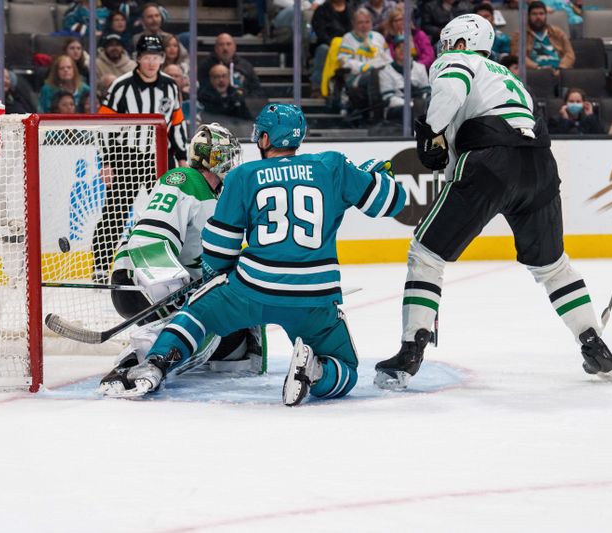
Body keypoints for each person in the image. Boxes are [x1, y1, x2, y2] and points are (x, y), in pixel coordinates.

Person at [376, 14, 612, 390]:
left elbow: (452, 91)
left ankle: (411, 349)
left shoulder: (458, 60)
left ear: (458, 41)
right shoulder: (508, 78)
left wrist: (430, 129)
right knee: (553, 266)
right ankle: (592, 341)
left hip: (491, 162)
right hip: (540, 165)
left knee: (426, 253)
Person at [108, 103, 405, 405]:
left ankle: (156, 363)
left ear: (264, 139)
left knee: (196, 315)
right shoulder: (332, 166)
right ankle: (315, 371)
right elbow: (393, 203)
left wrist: (217, 280)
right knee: (348, 368)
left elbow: (220, 250)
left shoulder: (244, 176)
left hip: (253, 289)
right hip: (315, 296)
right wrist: (378, 180)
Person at [98, 123, 265, 396]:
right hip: (141, 280)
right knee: (199, 324)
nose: (233, 163)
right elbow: (148, 244)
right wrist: (175, 293)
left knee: (232, 345)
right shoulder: (183, 178)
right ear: (215, 157)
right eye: (228, 155)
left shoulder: (214, 197)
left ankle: (156, 355)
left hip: (162, 283)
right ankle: (134, 360)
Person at [93, 34, 188, 281]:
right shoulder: (121, 85)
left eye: (156, 57)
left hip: (160, 155)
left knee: (169, 209)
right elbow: (104, 125)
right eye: (147, 57)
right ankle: (101, 265)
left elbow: (176, 123)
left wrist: (182, 157)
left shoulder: (169, 85)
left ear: (162, 59)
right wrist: (107, 162)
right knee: (116, 208)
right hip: (126, 155)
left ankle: (172, 258)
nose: (151, 62)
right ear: (138, 59)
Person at [511, 1, 575, 76]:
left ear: (546, 15)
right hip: (535, 72)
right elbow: (518, 56)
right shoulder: (520, 34)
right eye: (534, 14)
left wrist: (560, 68)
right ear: (528, 16)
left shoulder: (558, 33)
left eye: (541, 14)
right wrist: (539, 68)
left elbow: (570, 54)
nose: (538, 17)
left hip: (560, 71)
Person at [378, 34, 430, 121]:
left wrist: (422, 102)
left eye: (405, 47)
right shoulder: (385, 71)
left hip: (419, 105)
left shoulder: (420, 68)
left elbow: (427, 91)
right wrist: (411, 104)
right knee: (411, 111)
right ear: (394, 51)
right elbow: (389, 99)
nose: (402, 50)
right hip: (397, 108)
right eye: (398, 47)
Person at [338, 8, 391, 90]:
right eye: (360, 22)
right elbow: (344, 62)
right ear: (354, 24)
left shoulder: (378, 37)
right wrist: (365, 67)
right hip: (356, 77)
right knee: (375, 77)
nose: (364, 26)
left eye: (367, 22)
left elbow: (387, 58)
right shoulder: (347, 38)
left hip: (381, 72)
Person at [197, 33, 263, 97]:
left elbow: (257, 90)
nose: (225, 48)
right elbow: (202, 89)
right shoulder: (205, 66)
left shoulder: (245, 66)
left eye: (229, 44)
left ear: (235, 47)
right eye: (221, 44)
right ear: (215, 48)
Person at [309, 0, 353, 94]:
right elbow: (320, 31)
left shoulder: (352, 9)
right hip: (327, 43)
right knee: (323, 50)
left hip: (349, 44)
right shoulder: (322, 10)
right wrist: (334, 45)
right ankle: (317, 87)